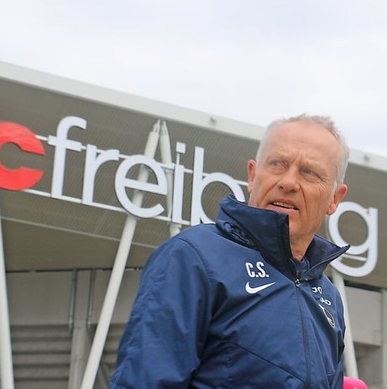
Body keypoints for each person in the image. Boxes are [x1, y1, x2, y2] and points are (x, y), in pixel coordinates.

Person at [109, 114, 351, 388]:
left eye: (309, 172)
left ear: (334, 198)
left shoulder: (328, 296)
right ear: (252, 175)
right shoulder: (193, 257)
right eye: (277, 164)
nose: (289, 182)